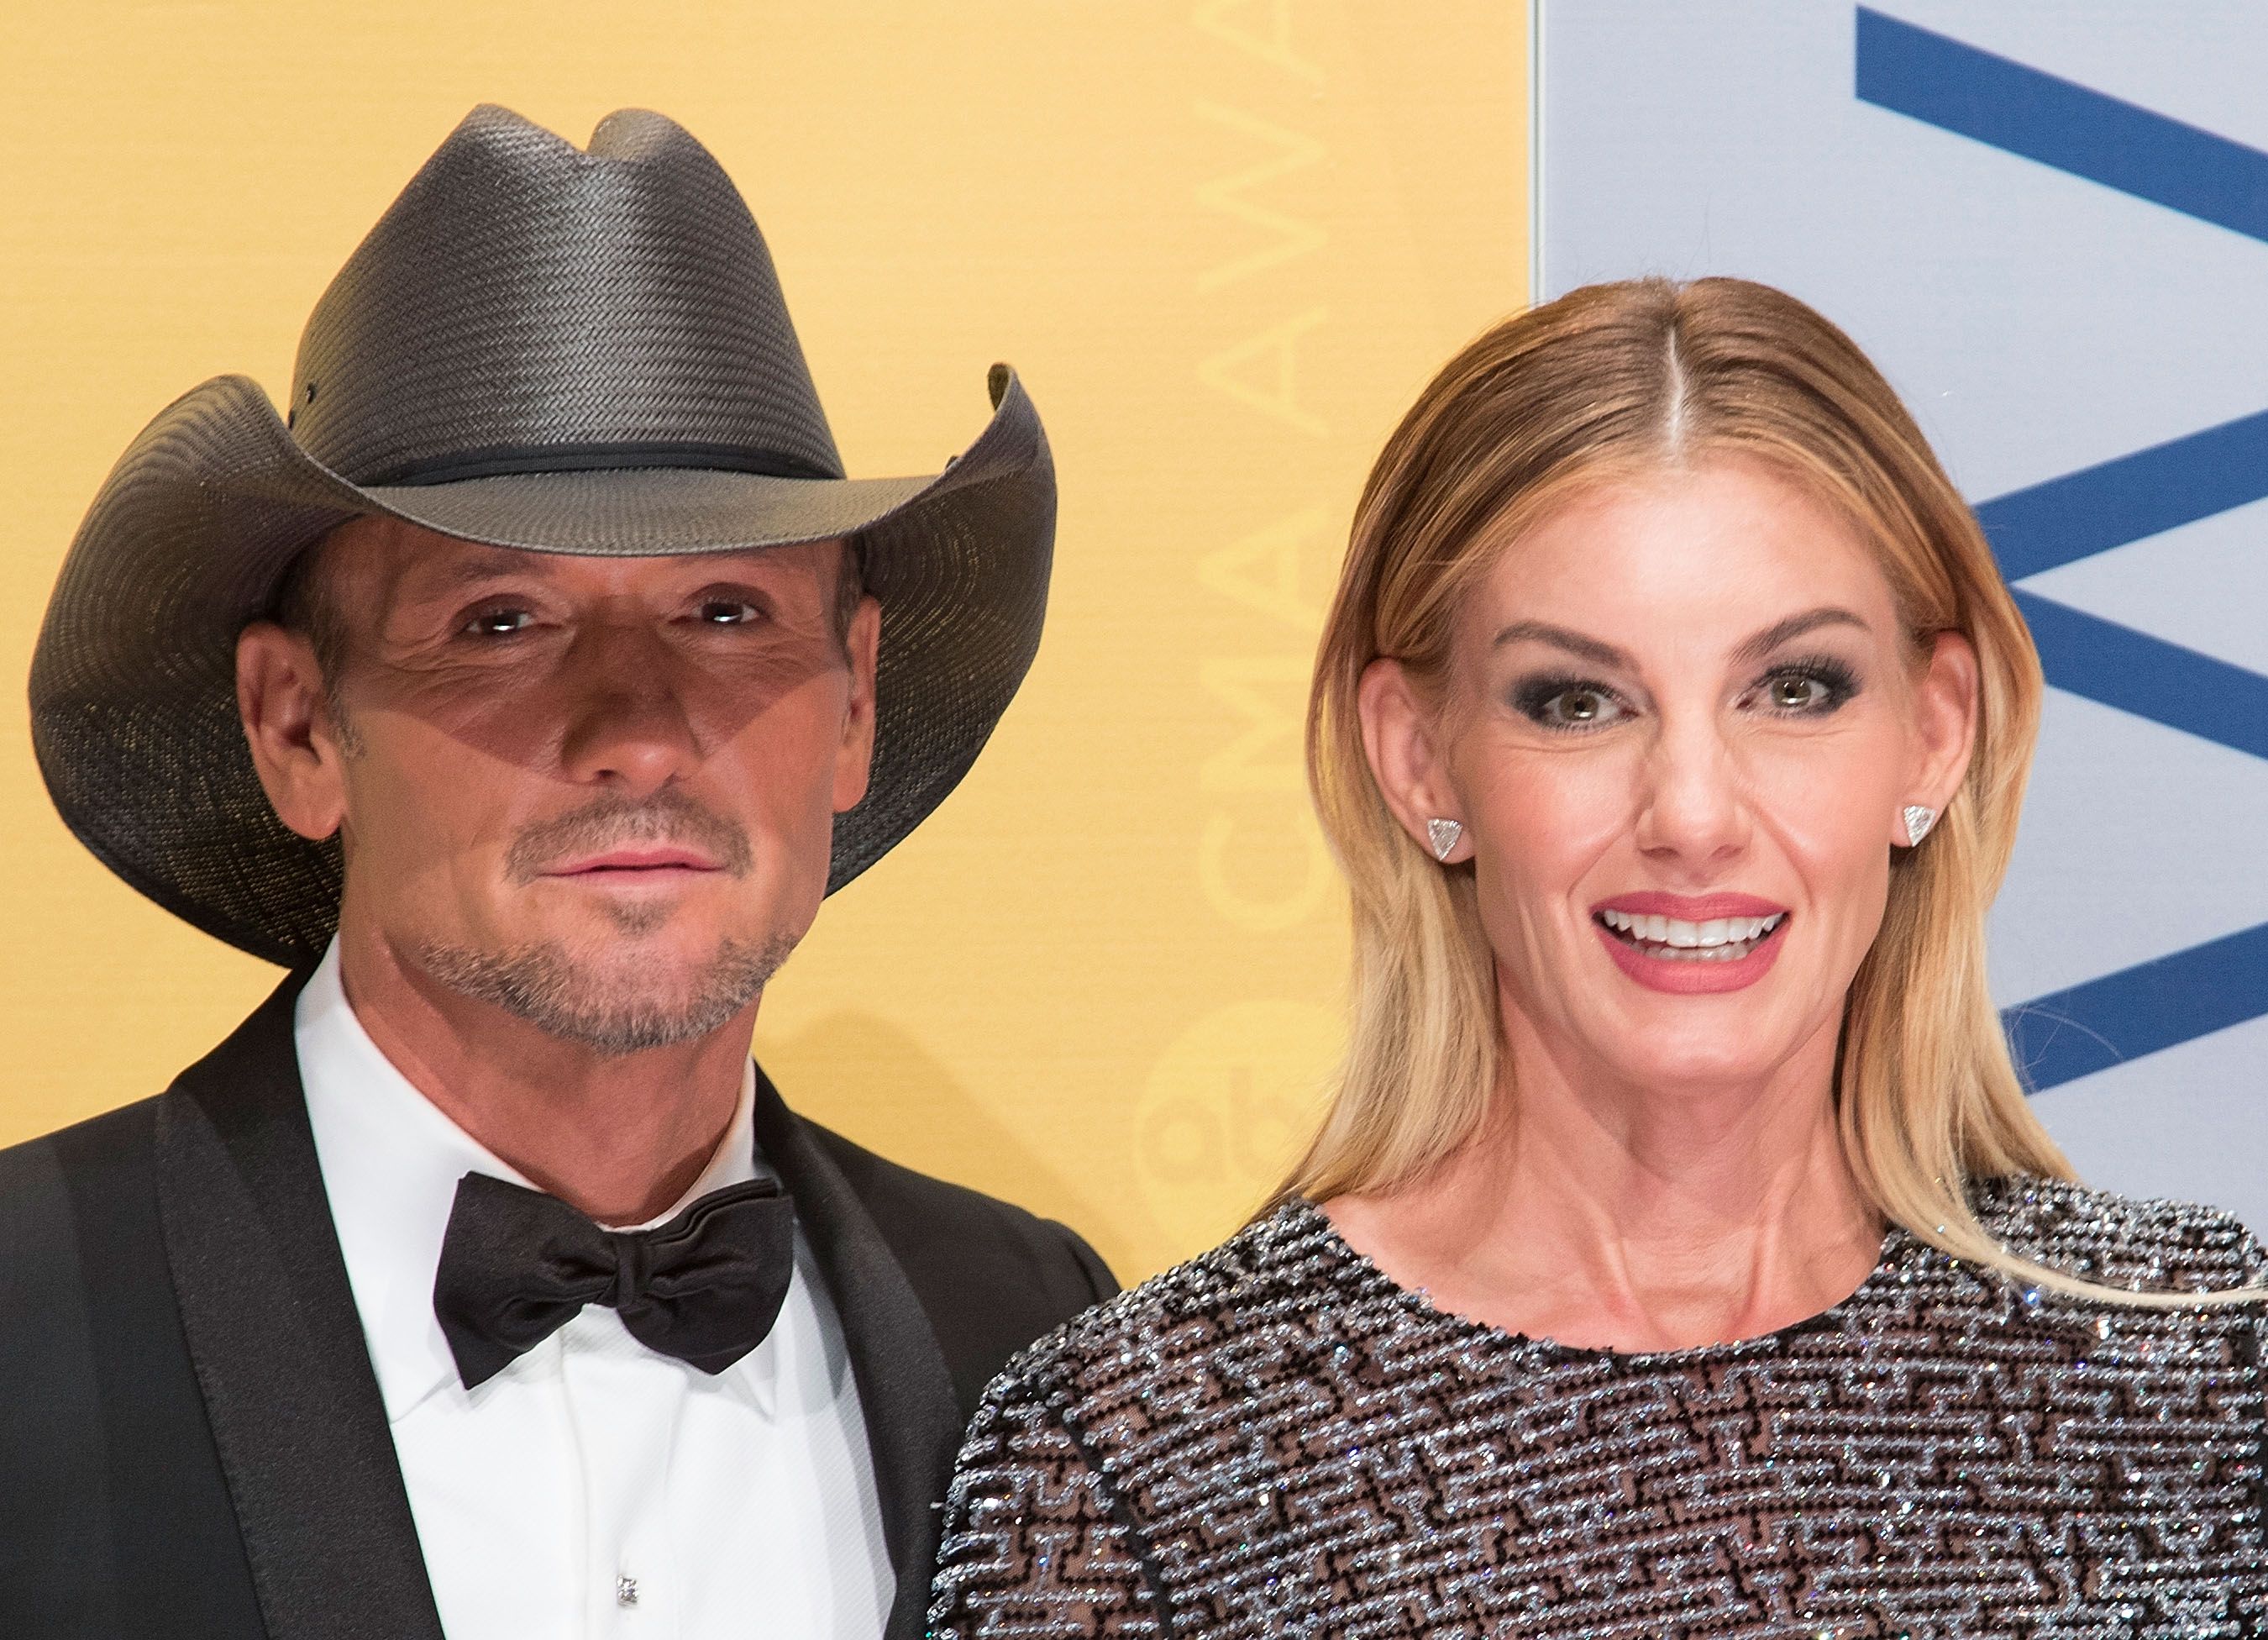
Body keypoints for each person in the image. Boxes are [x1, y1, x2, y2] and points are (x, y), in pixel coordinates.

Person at [928, 276, 2268, 1637]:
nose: (1691, 814)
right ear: (1416, 756)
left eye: (1794, 688)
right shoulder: (1149, 1463)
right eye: (1577, 702)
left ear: (1934, 733)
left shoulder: (2202, 1377)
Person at [8, 104, 1112, 1640]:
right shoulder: (20, 1325)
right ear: (297, 726)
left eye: (725, 612)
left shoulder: (1044, 1342)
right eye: (502, 621)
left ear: (856, 701)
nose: (639, 732)